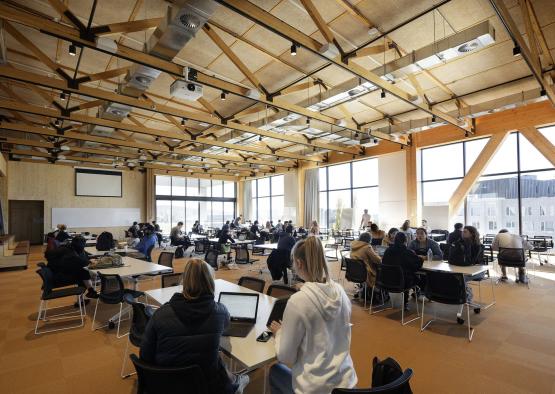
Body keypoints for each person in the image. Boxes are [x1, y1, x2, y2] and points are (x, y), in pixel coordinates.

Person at [140, 259, 249, 394]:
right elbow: (226, 328)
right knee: (225, 366)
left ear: (184, 281)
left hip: (166, 384)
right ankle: (236, 384)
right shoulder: (220, 312)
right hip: (207, 385)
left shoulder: (161, 314)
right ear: (210, 282)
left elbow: (145, 355)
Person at [268, 236, 357, 393]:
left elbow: (285, 356)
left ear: (299, 263)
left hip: (315, 388)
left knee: (275, 371)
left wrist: (280, 333)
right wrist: (308, 287)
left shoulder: (297, 302)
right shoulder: (340, 292)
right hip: (346, 383)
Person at [45, 235, 98, 301]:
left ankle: (89, 292)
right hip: (57, 277)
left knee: (82, 271)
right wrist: (91, 261)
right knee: (83, 271)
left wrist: (89, 258)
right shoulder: (70, 254)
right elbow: (80, 261)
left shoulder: (67, 247)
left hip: (53, 272)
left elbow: (81, 257)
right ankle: (88, 293)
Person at [382, 232, 423, 311]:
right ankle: (411, 296)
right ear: (406, 241)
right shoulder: (408, 252)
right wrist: (420, 258)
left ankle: (416, 291)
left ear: (395, 240)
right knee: (414, 277)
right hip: (402, 282)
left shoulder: (388, 250)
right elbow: (417, 266)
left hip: (386, 281)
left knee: (405, 274)